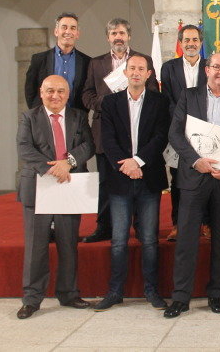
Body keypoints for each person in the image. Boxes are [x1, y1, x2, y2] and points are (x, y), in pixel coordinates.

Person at [164, 53, 220, 318]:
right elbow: (175, 133)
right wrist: (195, 161)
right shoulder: (189, 96)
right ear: (207, 70)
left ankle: (216, 293)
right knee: (187, 239)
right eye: (216, 67)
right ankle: (180, 297)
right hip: (194, 177)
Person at [93, 53, 170, 311]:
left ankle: (152, 290)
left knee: (149, 239)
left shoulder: (160, 102)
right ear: (125, 72)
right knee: (118, 239)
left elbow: (161, 137)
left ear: (149, 74)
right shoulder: (110, 102)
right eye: (132, 68)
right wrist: (127, 165)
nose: (136, 72)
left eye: (141, 69)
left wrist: (138, 161)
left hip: (148, 177)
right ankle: (115, 291)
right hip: (119, 178)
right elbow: (108, 139)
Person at [15, 75, 95, 319]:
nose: (55, 95)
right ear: (41, 92)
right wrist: (54, 167)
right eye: (50, 91)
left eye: (61, 91)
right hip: (39, 187)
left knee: (68, 243)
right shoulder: (29, 117)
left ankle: (69, 293)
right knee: (36, 245)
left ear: (68, 94)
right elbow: (24, 148)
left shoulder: (78, 116)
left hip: (69, 186)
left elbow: (88, 145)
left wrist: (68, 163)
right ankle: (31, 299)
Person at [81, 18, 158, 243]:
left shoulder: (143, 60)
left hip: (137, 131)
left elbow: (153, 92)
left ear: (129, 36)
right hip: (107, 131)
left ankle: (140, 225)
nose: (118, 37)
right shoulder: (96, 63)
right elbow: (86, 95)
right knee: (106, 181)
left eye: (122, 33)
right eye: (114, 33)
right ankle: (104, 227)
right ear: (108, 37)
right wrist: (107, 104)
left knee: (138, 180)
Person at [160, 24, 208, 242]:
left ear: (201, 42)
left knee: (206, 178)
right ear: (180, 43)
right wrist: (183, 123)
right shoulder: (169, 68)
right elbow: (167, 100)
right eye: (187, 40)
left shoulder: (209, 66)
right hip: (178, 132)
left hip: (206, 132)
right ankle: (178, 224)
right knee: (178, 179)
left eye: (195, 40)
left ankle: (206, 223)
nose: (191, 44)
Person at [24, 12, 91, 112]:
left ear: (77, 34)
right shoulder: (39, 59)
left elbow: (88, 92)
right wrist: (37, 114)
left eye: (73, 28)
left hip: (76, 120)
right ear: (56, 32)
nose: (68, 31)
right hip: (44, 119)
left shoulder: (87, 62)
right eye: (64, 27)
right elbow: (30, 90)